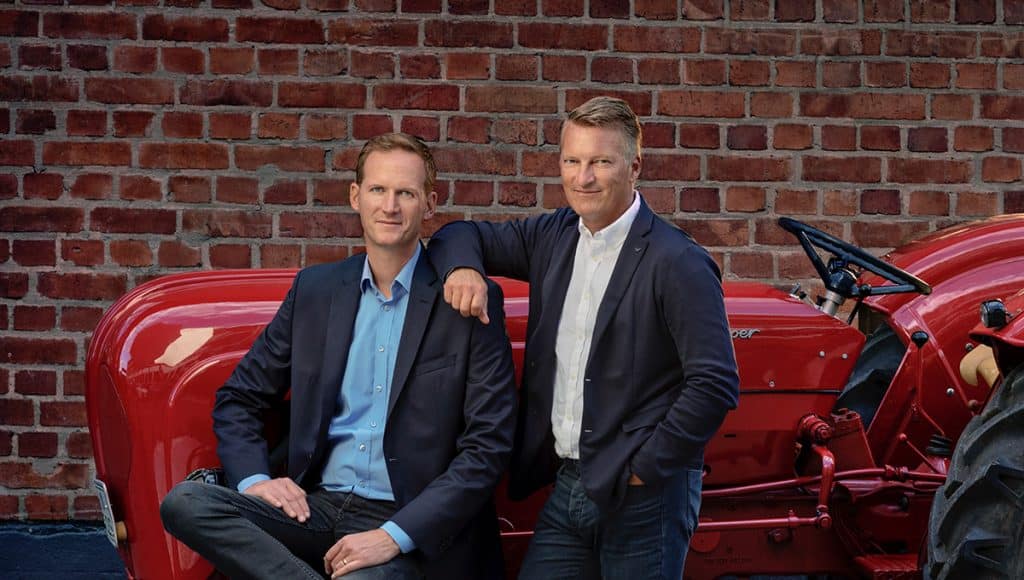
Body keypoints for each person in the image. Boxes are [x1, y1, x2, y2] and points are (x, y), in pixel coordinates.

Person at [160, 133, 517, 580]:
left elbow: (487, 447)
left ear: (429, 204)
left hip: (409, 524)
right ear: (355, 196)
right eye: (378, 189)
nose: (390, 206)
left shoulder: (467, 302)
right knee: (186, 502)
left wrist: (392, 535)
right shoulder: (316, 291)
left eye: (405, 193)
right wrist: (257, 483)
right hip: (316, 508)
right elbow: (239, 399)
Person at [429, 96, 740, 579]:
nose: (583, 177)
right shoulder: (554, 236)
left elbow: (714, 383)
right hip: (570, 483)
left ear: (635, 167)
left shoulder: (678, 262)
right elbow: (458, 235)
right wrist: (463, 269)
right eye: (572, 161)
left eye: (600, 162)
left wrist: (645, 469)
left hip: (645, 497)